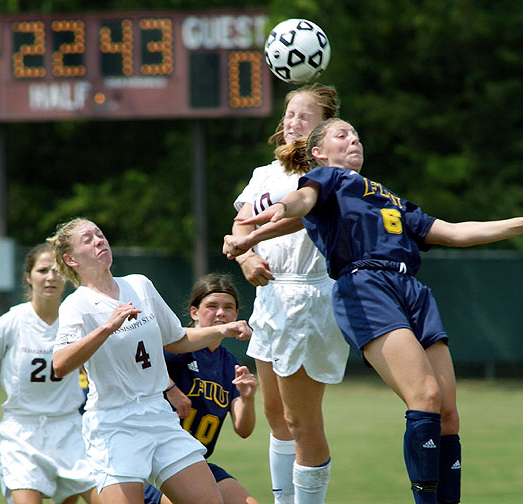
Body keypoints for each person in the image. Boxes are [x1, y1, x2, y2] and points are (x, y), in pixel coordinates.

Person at [224, 117, 523, 504]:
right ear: (318, 152)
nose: (353, 140)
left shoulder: (387, 195)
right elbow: (302, 201)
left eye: (356, 136)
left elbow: (452, 232)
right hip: (365, 285)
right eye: (342, 134)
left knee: (448, 415)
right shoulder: (326, 180)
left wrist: (518, 223)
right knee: (425, 396)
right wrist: (269, 217)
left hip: (412, 290)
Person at [47, 218, 252, 504]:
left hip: (158, 414)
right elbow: (60, 364)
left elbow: (177, 339)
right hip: (114, 423)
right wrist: (108, 327)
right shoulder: (76, 305)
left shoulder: (139, 285)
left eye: (100, 234)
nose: (99, 241)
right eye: (88, 239)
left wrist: (222, 330)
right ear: (71, 259)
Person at [230, 83, 350, 504]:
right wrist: (245, 258)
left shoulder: (332, 173)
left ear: (324, 129)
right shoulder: (265, 174)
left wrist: (249, 239)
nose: (292, 121)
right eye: (289, 113)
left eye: (304, 115)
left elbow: (302, 216)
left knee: (302, 423)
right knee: (275, 417)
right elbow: (241, 225)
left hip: (308, 298)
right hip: (271, 299)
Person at [0, 244, 97, 504]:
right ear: (29, 277)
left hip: (69, 429)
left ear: (67, 276)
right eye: (43, 270)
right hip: (21, 434)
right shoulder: (11, 322)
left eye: (57, 271)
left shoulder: (78, 321)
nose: (51, 277)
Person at [143, 273, 259, 504]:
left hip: (195, 462)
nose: (220, 313)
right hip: (154, 461)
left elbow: (243, 429)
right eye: (212, 306)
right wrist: (171, 388)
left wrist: (247, 399)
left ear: (236, 315)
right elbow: (139, 366)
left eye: (228, 307)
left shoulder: (230, 363)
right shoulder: (175, 347)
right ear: (194, 312)